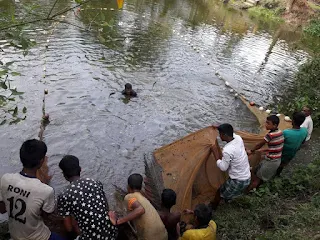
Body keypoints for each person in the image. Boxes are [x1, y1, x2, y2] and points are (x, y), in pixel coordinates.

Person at [0, 139, 64, 240]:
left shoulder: (5, 179)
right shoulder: (46, 190)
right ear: (41, 161)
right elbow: (46, 216)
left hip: (15, 235)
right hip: (39, 237)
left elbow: (2, 210)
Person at [57, 155, 117, 240]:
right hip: (111, 233)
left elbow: (68, 225)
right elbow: (105, 206)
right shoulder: (96, 183)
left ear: (64, 175)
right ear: (80, 169)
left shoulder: (64, 194)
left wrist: (71, 235)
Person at [108, 173, 167, 240]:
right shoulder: (143, 198)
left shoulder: (129, 197)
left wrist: (118, 221)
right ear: (141, 187)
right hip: (164, 235)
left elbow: (140, 210)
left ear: (128, 187)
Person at [210, 124, 251, 209]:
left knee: (219, 192)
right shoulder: (238, 138)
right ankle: (228, 199)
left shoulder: (227, 150)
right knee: (228, 192)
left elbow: (223, 167)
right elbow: (230, 131)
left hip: (239, 180)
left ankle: (214, 208)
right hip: (247, 176)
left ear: (224, 135)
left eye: (220, 134)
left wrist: (215, 155)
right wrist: (218, 127)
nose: (219, 136)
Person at [247, 115, 284, 190]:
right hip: (275, 159)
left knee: (256, 180)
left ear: (275, 125)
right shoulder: (279, 132)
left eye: (268, 123)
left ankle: (247, 194)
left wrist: (251, 151)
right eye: (266, 122)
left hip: (272, 161)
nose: (266, 125)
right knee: (255, 172)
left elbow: (259, 144)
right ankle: (256, 188)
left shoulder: (270, 135)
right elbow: (276, 146)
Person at [276, 112, 308, 176]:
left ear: (292, 120)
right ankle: (277, 175)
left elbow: (277, 143)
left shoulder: (286, 132)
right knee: (282, 165)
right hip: (292, 154)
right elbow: (303, 142)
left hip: (282, 153)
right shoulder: (305, 130)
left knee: (277, 164)